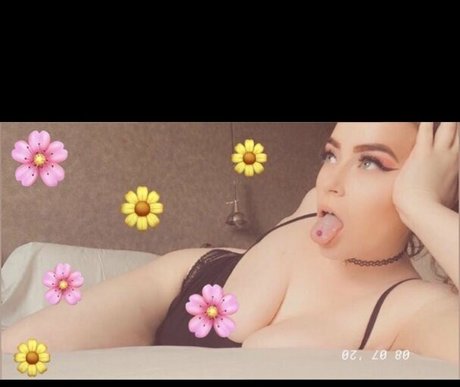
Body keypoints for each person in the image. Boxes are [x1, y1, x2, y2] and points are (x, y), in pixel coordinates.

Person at [2, 122, 458, 363]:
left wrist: (421, 205)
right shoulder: (316, 201)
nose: (330, 181)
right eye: (330, 154)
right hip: (180, 285)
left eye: (372, 162)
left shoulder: (418, 308)